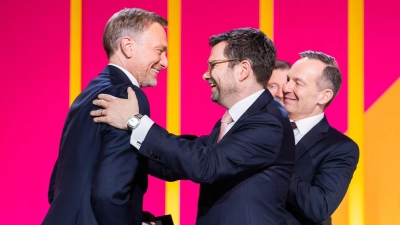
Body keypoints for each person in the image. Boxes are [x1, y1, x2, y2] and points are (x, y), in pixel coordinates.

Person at [90, 28, 295, 225]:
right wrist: (117, 141)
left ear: (243, 70)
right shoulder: (238, 119)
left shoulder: (268, 122)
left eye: (213, 65)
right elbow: (176, 163)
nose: (205, 75)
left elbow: (205, 166)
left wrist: (134, 121)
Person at [43, 8, 168, 225]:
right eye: (159, 50)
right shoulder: (127, 96)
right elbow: (109, 193)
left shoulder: (88, 93)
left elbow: (57, 187)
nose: (165, 62)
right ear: (128, 46)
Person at [282, 51, 359, 225]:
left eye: (298, 83)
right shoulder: (262, 130)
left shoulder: (340, 148)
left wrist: (272, 165)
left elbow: (319, 206)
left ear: (324, 96)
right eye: (288, 80)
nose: (286, 88)